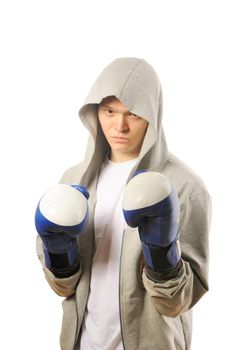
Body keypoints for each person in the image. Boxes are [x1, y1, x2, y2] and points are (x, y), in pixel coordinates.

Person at [35, 57, 212, 350]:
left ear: (153, 116)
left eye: (133, 114)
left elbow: (178, 302)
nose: (120, 126)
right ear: (95, 112)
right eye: (109, 111)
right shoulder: (73, 180)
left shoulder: (185, 187)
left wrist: (162, 258)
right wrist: (58, 254)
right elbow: (62, 288)